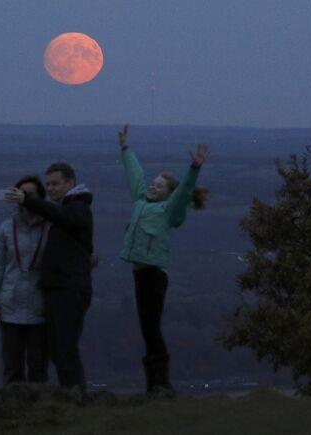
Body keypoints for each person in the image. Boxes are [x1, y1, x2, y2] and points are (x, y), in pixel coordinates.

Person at [117, 124, 209, 395]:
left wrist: (193, 169)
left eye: (159, 186)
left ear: (167, 194)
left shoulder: (167, 210)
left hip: (153, 276)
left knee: (151, 327)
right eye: (153, 184)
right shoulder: (140, 201)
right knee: (147, 328)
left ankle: (160, 382)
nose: (152, 187)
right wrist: (125, 148)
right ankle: (155, 384)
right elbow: (134, 175)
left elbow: (182, 194)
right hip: (140, 274)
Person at [5, 162, 93, 392]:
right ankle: (72, 395)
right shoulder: (69, 208)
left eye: (55, 183)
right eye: (48, 184)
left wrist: (28, 201)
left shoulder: (78, 207)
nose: (51, 188)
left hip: (69, 290)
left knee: (65, 349)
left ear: (70, 183)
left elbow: (62, 217)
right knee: (57, 349)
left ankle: (76, 397)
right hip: (59, 289)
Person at [0, 175, 49, 385]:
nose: (25, 198)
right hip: (11, 305)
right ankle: (13, 414)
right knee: (12, 369)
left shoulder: (51, 226)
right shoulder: (6, 228)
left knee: (38, 369)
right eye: (21, 193)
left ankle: (41, 413)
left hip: (41, 305)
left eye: (30, 195)